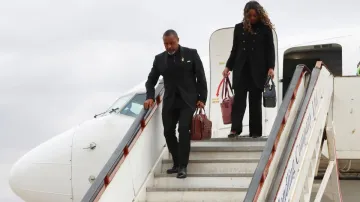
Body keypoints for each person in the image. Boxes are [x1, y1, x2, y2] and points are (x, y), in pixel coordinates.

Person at [143, 29, 207, 178]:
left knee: (183, 129)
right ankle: (177, 163)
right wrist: (150, 97)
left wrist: (202, 98)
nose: (169, 47)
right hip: (170, 101)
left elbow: (201, 77)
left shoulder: (191, 54)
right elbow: (150, 81)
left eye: (172, 43)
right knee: (168, 132)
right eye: (166, 44)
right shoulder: (159, 59)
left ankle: (183, 166)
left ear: (178, 39)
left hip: (188, 100)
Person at [222, 1, 275, 138]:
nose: (252, 18)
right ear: (245, 15)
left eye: (254, 15)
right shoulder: (239, 28)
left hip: (258, 71)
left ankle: (255, 132)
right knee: (239, 100)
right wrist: (228, 66)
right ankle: (235, 129)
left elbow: (270, 50)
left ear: (259, 14)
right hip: (241, 70)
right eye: (249, 15)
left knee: (255, 101)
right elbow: (234, 50)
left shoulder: (265, 29)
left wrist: (271, 67)